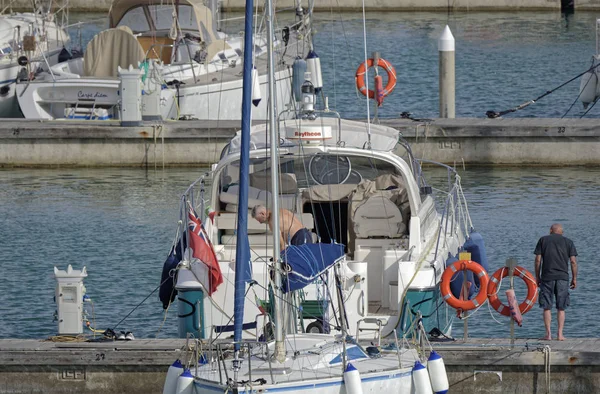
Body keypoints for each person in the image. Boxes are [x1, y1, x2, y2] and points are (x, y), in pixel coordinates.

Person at [534, 223, 578, 341]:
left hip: (547, 277)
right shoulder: (568, 242)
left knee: (546, 307)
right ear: (562, 232)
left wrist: (537, 276)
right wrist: (574, 278)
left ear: (550, 231)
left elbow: (538, 260)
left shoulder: (543, 240)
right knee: (561, 307)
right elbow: (573, 262)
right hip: (563, 278)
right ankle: (560, 334)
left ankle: (548, 335)